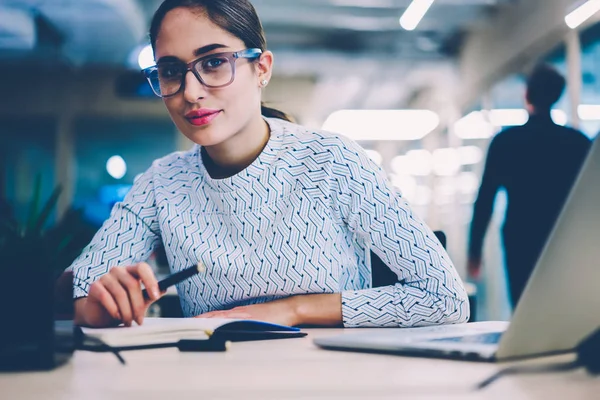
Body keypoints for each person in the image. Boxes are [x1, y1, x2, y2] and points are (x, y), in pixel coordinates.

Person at [71, 0, 469, 328]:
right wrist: (99, 301)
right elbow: (76, 289)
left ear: (261, 68)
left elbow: (445, 297)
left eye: (213, 63)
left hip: (334, 381)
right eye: (172, 71)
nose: (190, 92)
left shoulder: (333, 161)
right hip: (214, 383)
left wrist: (291, 310)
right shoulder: (163, 183)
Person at [467, 64, 591, 308]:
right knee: (563, 305)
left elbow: (485, 200)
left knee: (524, 305)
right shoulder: (577, 143)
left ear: (527, 95)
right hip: (562, 235)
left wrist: (474, 251)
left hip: (519, 235)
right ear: (558, 95)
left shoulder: (505, 142)